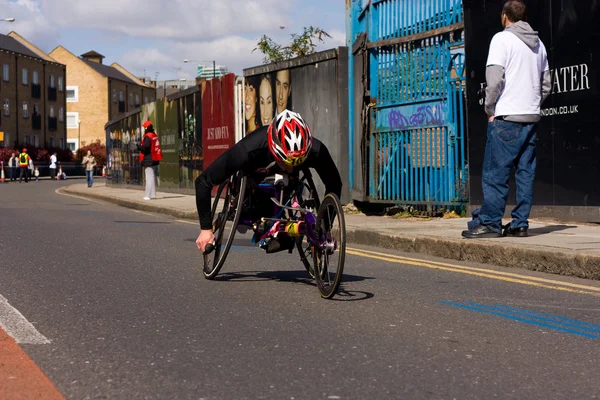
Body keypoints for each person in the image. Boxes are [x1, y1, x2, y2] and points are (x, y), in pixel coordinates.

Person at [195, 109, 342, 253]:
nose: (290, 168)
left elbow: (335, 184)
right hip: (255, 179)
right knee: (253, 202)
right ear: (273, 147)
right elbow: (203, 182)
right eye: (286, 162)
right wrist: (205, 229)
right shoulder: (249, 149)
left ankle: (283, 228)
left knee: (307, 180)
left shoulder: (317, 150)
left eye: (297, 162)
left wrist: (325, 228)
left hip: (287, 186)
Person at [462, 0, 551, 239]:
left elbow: (494, 79)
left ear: (504, 17)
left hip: (507, 116)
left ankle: (490, 223)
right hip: (530, 117)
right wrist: (532, 105)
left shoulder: (501, 39)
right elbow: (546, 85)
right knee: (525, 172)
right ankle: (520, 223)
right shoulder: (538, 44)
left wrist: (490, 108)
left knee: (495, 173)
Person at [138, 120, 162, 200]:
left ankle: (148, 195)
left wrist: (138, 147)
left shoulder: (148, 136)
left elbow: (145, 148)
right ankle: (153, 194)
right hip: (154, 157)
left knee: (149, 177)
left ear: (147, 128)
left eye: (144, 127)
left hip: (148, 158)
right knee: (152, 176)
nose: (144, 128)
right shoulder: (154, 135)